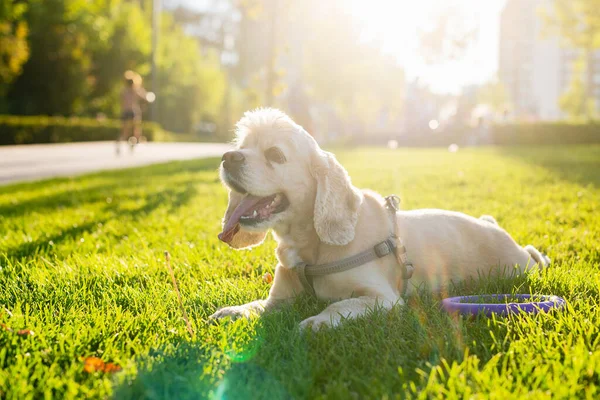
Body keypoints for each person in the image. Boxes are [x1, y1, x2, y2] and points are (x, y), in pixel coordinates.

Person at [117, 70, 154, 154]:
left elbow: (122, 102)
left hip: (125, 112)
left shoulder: (123, 91)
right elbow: (145, 97)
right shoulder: (136, 90)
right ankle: (132, 145)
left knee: (124, 131)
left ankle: (120, 144)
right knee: (135, 131)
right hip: (133, 112)